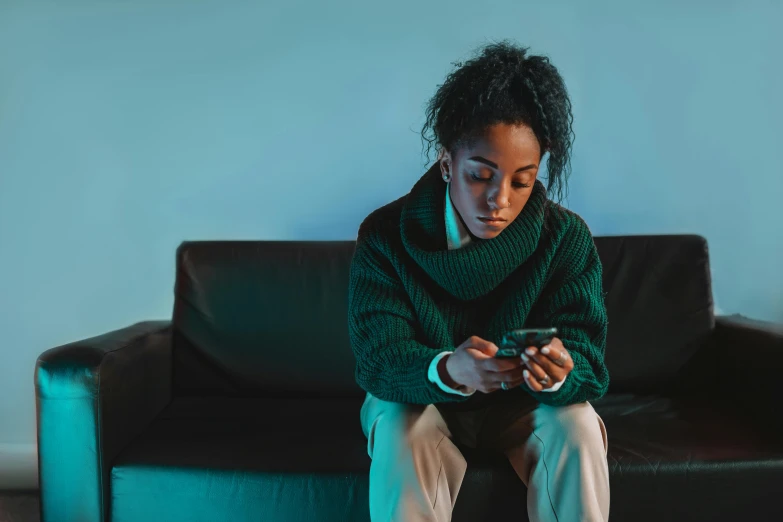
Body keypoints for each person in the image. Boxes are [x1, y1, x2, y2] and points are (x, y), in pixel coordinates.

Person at [347, 40, 610, 522]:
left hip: (521, 409)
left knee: (578, 423)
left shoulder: (565, 238)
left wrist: (560, 370)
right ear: (447, 163)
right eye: (479, 175)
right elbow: (378, 360)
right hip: (426, 405)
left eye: (521, 180)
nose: (499, 200)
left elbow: (591, 362)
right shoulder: (385, 236)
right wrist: (449, 370)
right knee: (398, 423)